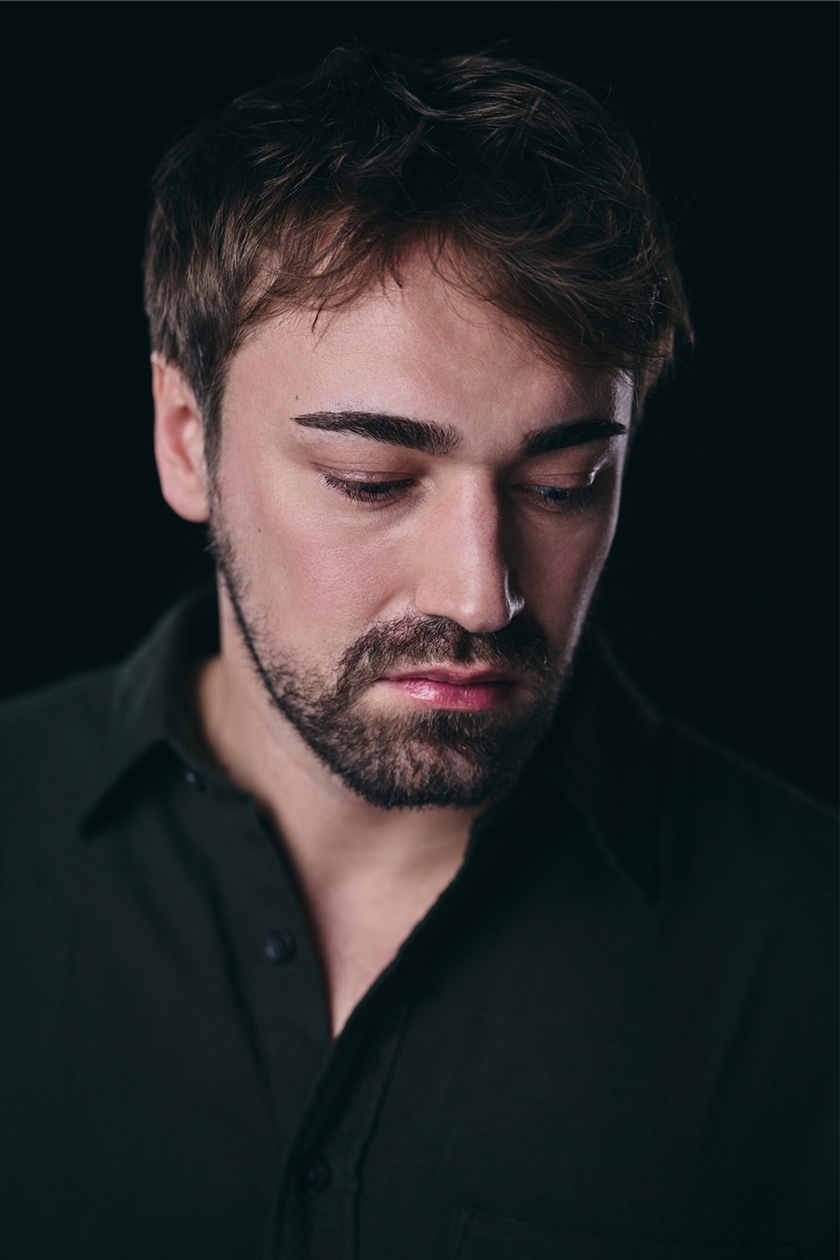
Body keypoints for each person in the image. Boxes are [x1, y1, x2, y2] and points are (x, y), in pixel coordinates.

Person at [0, 45, 835, 1260]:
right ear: (186, 440)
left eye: (566, 484)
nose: (482, 596)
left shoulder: (808, 948)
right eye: (372, 480)